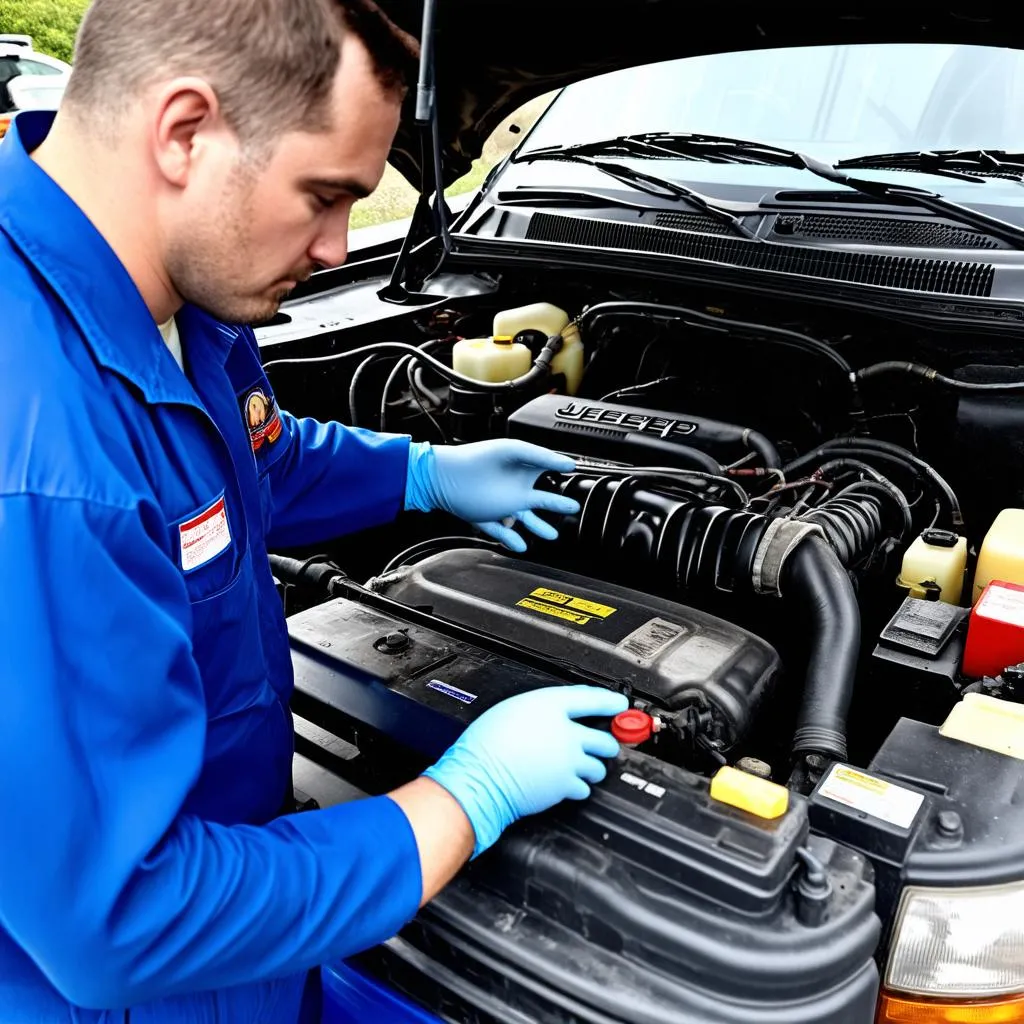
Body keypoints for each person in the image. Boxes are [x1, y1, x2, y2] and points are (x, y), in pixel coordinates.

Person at [0, 0, 629, 1020]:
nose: (340, 249)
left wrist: (422, 473)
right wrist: (458, 801)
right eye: (325, 196)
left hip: (253, 893)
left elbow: (246, 464)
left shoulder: (173, 285)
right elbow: (118, 921)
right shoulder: (41, 464)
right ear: (185, 130)